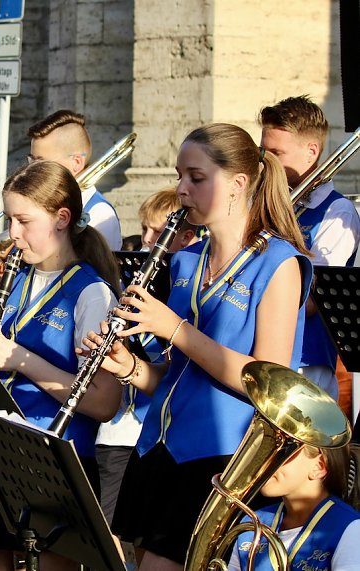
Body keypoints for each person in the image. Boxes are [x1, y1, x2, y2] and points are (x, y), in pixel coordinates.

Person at [83, 123, 313, 571]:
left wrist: (174, 329)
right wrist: (129, 366)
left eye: (196, 178)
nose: (182, 190)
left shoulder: (278, 263)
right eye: (179, 176)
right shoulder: (187, 259)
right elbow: (175, 380)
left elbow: (268, 381)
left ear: (238, 183)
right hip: (157, 447)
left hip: (218, 456)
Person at [0, 160, 122, 571]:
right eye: (11, 219)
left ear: (62, 219)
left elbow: (105, 401)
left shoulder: (92, 294)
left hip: (55, 460)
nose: (12, 233)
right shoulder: (19, 280)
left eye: (23, 221)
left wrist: (21, 359)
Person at [95, 187, 199, 530]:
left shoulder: (186, 284)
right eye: (144, 229)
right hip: (120, 426)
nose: (146, 240)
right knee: (112, 525)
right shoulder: (137, 276)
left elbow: (173, 358)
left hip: (151, 427)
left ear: (187, 237)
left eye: (157, 232)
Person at [259, 95, 360, 400]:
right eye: (263, 151)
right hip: (254, 351)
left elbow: (313, 298)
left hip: (304, 359)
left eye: (276, 153)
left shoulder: (337, 211)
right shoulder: (261, 203)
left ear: (311, 152)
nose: (266, 162)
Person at [228, 444, 360, 571]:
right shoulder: (252, 522)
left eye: (282, 452)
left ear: (319, 467)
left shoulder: (350, 528)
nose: (264, 462)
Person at [27, 110, 123, 250]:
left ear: (76, 163)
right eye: (31, 160)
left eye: (41, 162)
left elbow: (98, 270)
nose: (31, 170)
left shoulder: (99, 213)